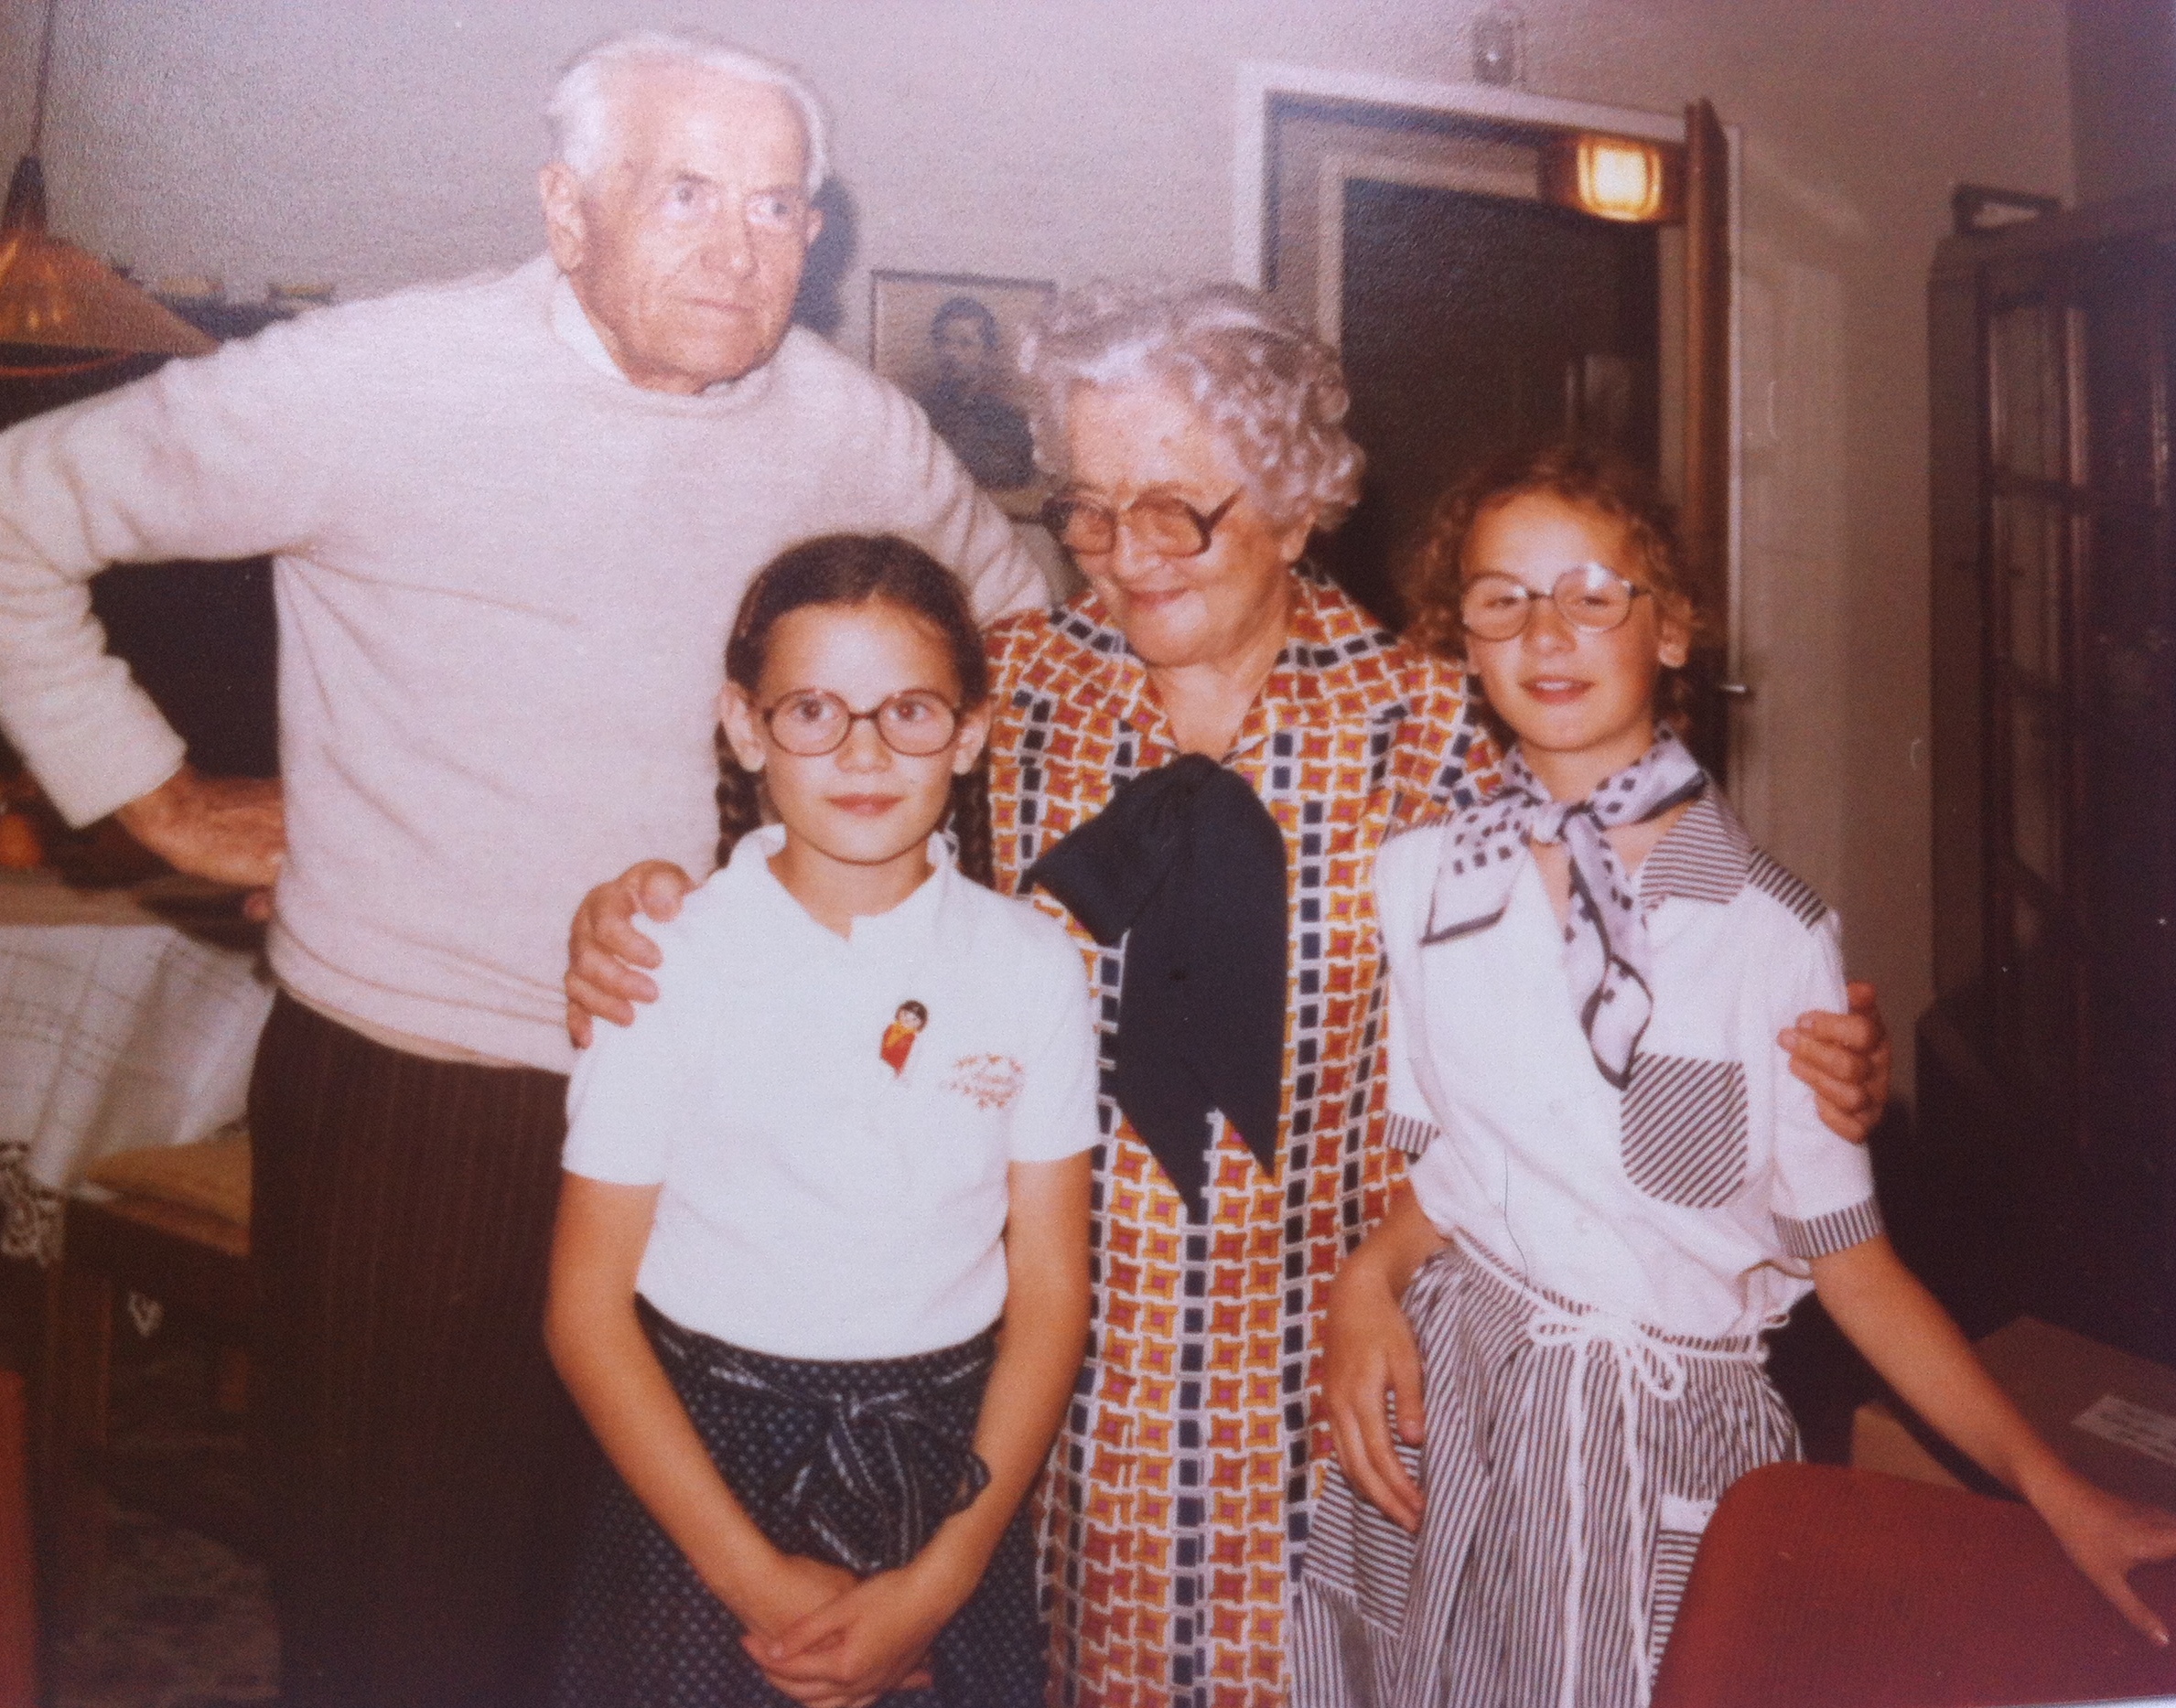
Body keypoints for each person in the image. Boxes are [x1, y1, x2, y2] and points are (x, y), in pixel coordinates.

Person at [564, 284, 1892, 1705]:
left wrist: (1808, 1050)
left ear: (1295, 503)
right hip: (1033, 1405)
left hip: (1339, 1377)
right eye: (1088, 510)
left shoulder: (1436, 727)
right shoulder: (1010, 690)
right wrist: (635, 897)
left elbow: (1631, 965)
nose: (1121, 555)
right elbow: (821, 849)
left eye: (1171, 511)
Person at [0, 30, 1042, 1708]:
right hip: (430, 1101)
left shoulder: (852, 430)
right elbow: (15, 508)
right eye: (684, 193)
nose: (739, 247)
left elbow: (1018, 647)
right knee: (407, 1630)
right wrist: (157, 798)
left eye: (777, 205)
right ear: (566, 209)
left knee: (676, 1631)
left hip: (743, 1115)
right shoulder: (374, 378)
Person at [1291, 445, 2176, 1707]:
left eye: (1592, 594)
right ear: (1463, 641)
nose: (1545, 632)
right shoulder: (1422, 880)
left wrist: (2053, 1487)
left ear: (1670, 629)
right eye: (1501, 599)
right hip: (1448, 1398)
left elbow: (1852, 1266)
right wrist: (1367, 1279)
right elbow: (1460, 1172)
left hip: (1652, 1439)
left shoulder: (1770, 933)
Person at [546, 534, 1093, 1707]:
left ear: (971, 731)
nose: (862, 752)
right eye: (811, 711)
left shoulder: (1030, 966)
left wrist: (942, 1580)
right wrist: (756, 1584)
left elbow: (1050, 1294)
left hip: (945, 1477)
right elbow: (584, 1310)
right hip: (703, 1483)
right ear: (744, 728)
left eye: (909, 711)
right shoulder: (664, 964)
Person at [918, 295, 1037, 490]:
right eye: (944, 341)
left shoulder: (1010, 422)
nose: (950, 353)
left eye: (965, 343)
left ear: (987, 354)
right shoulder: (918, 414)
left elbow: (1019, 483)